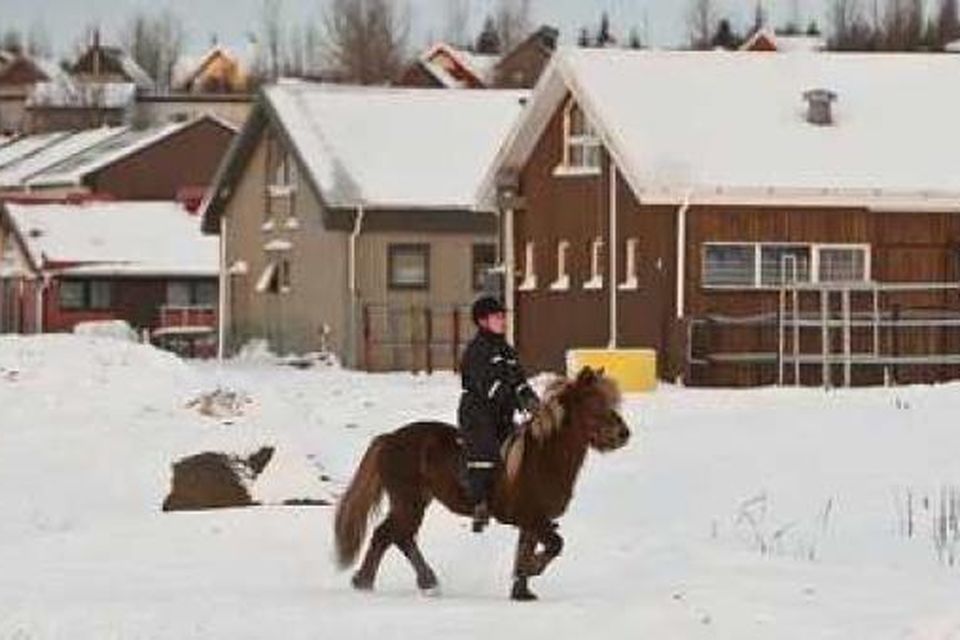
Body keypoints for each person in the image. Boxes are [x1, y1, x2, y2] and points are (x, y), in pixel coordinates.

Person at [458, 296, 539, 533]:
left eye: (504, 316)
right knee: (486, 450)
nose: (504, 321)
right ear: (483, 321)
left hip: (503, 414)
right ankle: (479, 504)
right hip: (479, 413)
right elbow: (489, 387)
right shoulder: (477, 351)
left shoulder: (507, 351)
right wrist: (515, 399)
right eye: (498, 317)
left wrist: (531, 400)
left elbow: (519, 381)